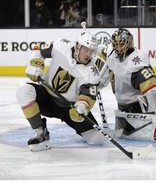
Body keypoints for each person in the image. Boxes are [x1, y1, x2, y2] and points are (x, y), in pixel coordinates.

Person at [16, 22, 106, 152]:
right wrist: (36, 63)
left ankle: (81, 124)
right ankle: (40, 132)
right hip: (46, 97)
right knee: (24, 90)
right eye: (86, 50)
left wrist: (82, 106)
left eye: (92, 51)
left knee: (95, 138)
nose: (89, 54)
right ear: (77, 46)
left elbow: (88, 94)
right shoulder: (61, 45)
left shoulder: (92, 72)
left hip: (69, 108)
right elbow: (39, 48)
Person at [95, 28, 156, 142]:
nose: (118, 47)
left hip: (138, 105)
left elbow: (150, 82)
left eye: (121, 44)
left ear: (129, 43)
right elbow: (100, 58)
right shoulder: (110, 52)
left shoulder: (138, 59)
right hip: (123, 106)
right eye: (116, 44)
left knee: (155, 94)